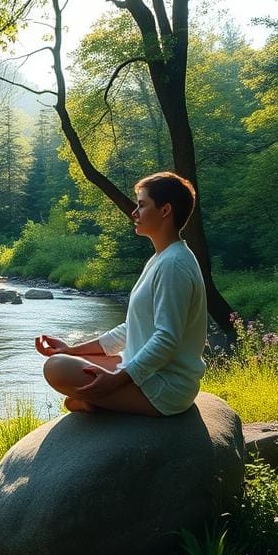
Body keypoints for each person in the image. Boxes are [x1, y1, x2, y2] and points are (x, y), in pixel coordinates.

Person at [36, 172, 207, 416]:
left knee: (57, 369)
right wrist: (72, 350)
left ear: (165, 210)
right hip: (148, 373)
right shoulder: (162, 258)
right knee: (61, 362)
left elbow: (167, 339)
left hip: (166, 388)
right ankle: (99, 400)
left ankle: (100, 401)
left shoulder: (173, 265)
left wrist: (116, 381)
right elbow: (131, 328)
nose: (134, 213)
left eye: (141, 205)